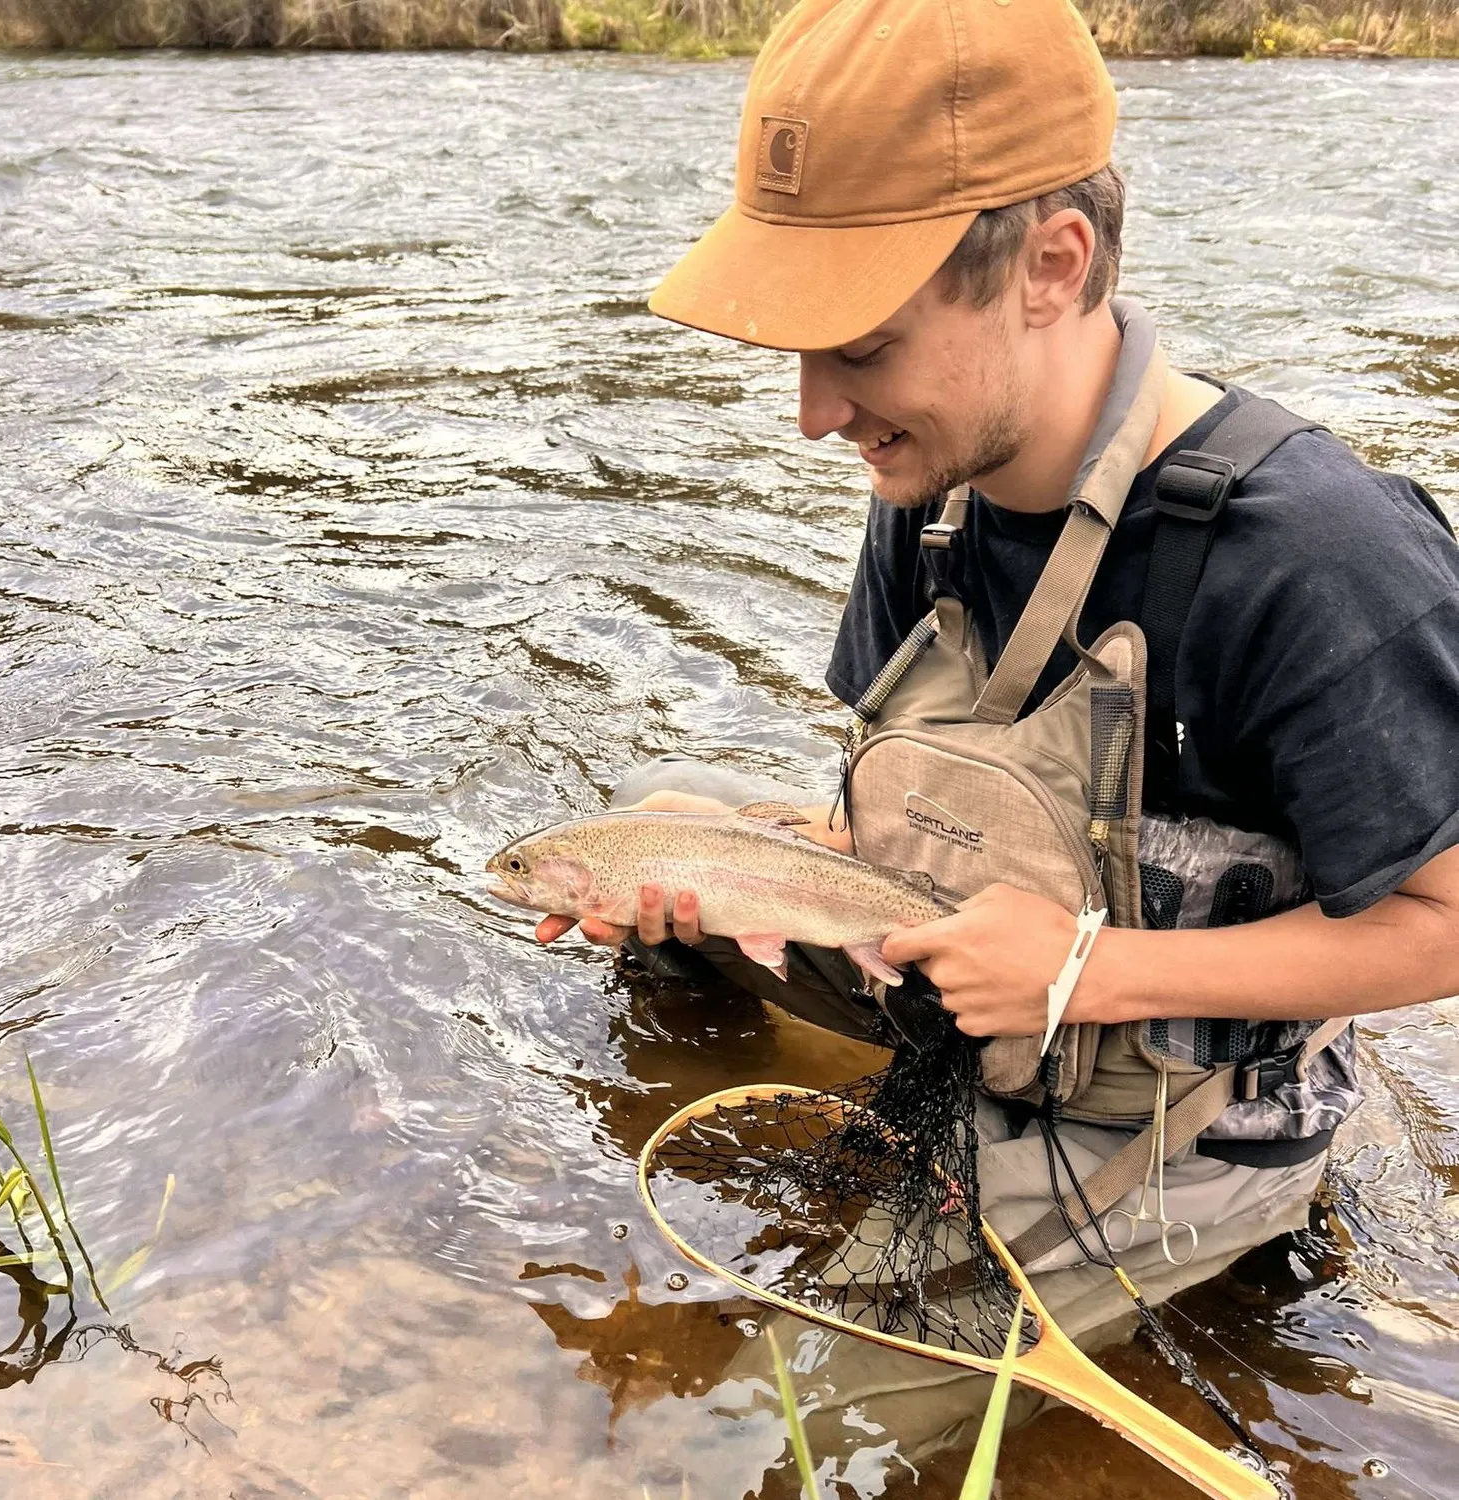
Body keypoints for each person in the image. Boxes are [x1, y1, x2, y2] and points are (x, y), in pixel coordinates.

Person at [532, 0, 1459, 1465]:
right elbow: (888, 802)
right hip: (958, 969)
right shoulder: (931, 490)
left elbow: (1446, 926)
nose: (812, 413)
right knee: (664, 817)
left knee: (773, 1427)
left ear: (1051, 266)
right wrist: (729, 876)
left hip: (1175, 1106)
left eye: (859, 350)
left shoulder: (1322, 561)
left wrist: (1094, 972)